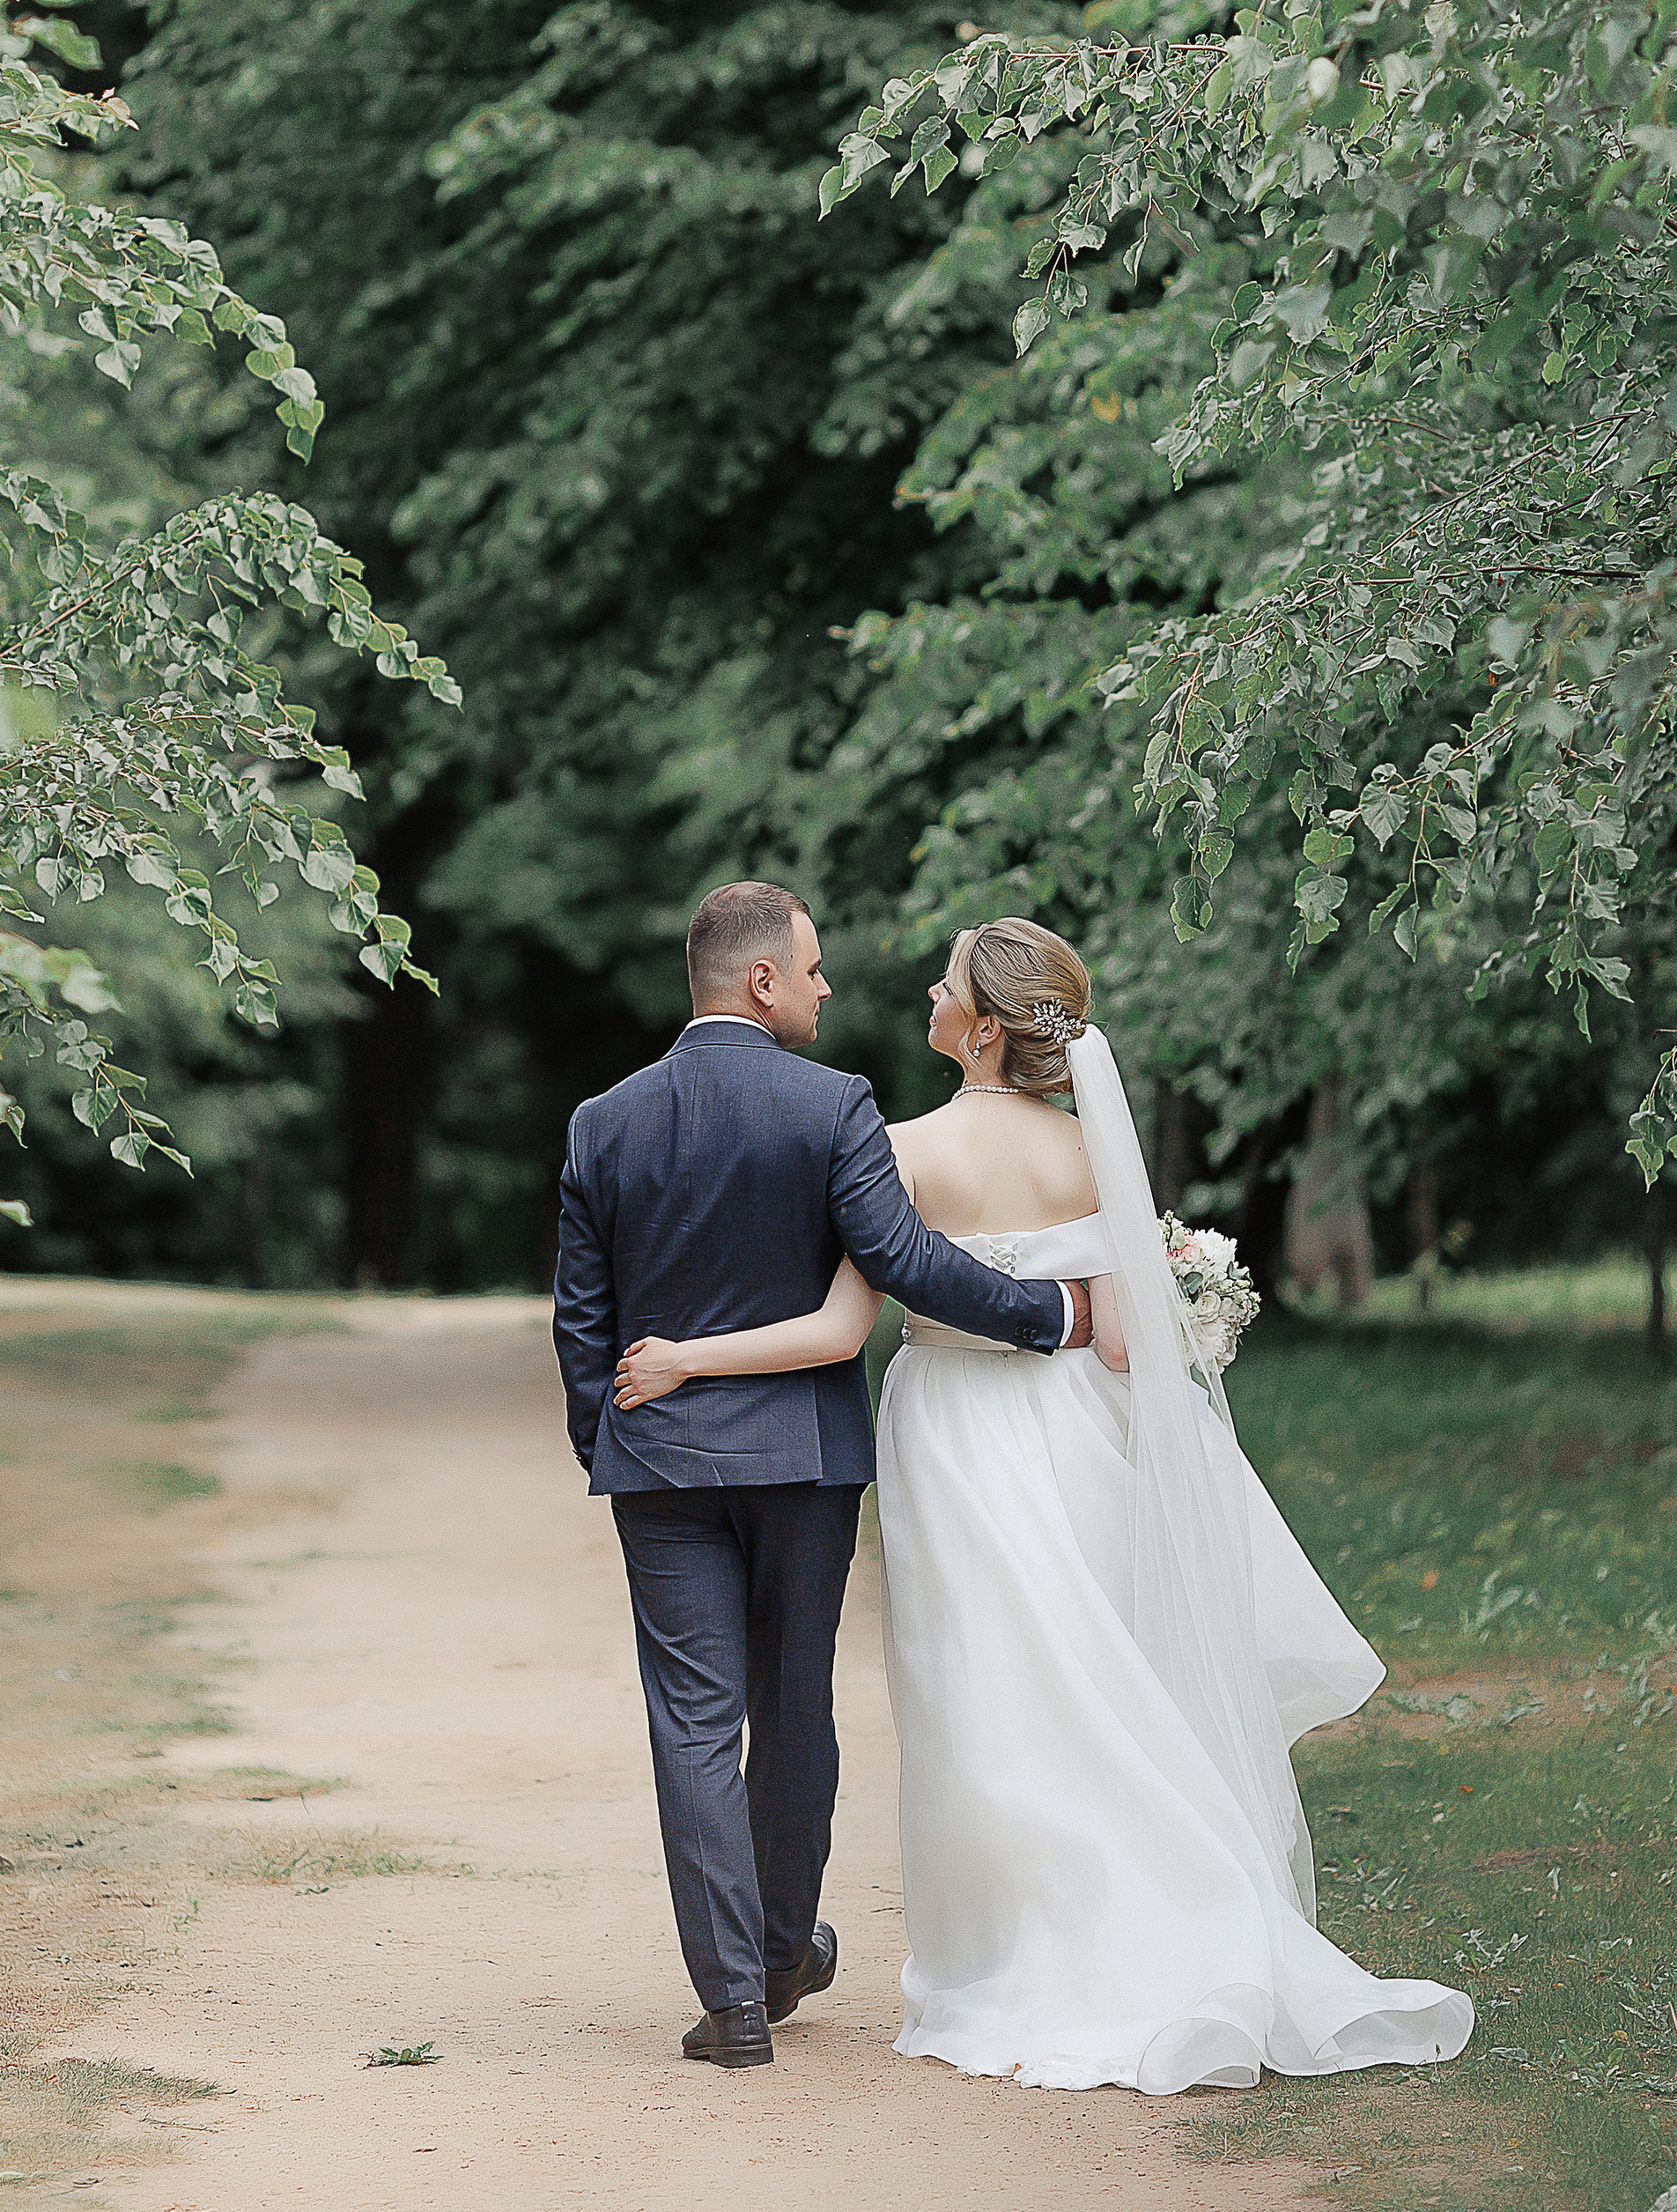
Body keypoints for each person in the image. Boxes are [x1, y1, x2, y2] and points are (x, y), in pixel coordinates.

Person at [612, 917, 1476, 2094]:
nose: (927, 987)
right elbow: (1123, 1344)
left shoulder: (899, 1146)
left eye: (946, 981)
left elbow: (834, 1332)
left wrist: (683, 1362)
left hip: (958, 1434)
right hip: (1069, 1436)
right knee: (1092, 1670)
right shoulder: (1087, 1152)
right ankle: (1162, 1908)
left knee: (981, 1686)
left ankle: (1010, 1949)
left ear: (980, 1026)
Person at [552, 881, 1096, 2070]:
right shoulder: (834, 1105)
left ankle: (736, 2000)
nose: (824, 987)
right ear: (760, 981)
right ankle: (786, 1949)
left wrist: (613, 1445)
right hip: (802, 1459)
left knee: (694, 1721)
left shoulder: (605, 1121)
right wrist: (1050, 1318)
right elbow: (902, 1262)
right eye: (810, 969)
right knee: (794, 1705)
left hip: (661, 1464)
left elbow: (581, 1321)